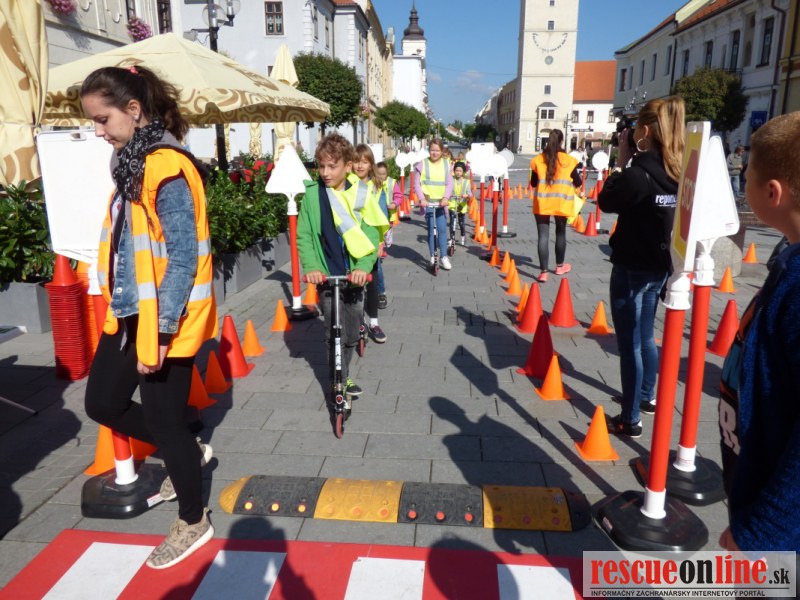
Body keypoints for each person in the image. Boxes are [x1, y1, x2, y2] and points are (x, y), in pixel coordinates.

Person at [80, 65, 217, 569]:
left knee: (163, 419)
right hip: (129, 311)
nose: (98, 131)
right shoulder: (131, 163)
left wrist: (160, 334)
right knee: (102, 403)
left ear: (133, 110)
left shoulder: (165, 166)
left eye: (103, 119)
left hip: (164, 319)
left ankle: (193, 519)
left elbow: (183, 256)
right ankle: (186, 449)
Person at [718, 112, 800, 556]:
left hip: (780, 540)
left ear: (773, 193)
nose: (742, 182)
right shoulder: (789, 261)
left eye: (746, 175)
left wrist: (762, 530)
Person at [597, 96, 685, 438]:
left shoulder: (637, 174)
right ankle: (646, 396)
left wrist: (621, 163)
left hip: (632, 266)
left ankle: (630, 418)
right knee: (646, 335)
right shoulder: (678, 171)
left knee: (630, 344)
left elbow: (606, 200)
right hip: (659, 265)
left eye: (635, 127)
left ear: (645, 131)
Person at [297, 134, 386, 402]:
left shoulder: (362, 192)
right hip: (326, 275)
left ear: (348, 166)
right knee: (332, 331)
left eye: (332, 166)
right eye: (321, 166)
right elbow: (304, 235)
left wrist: (363, 267)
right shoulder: (312, 196)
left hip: (354, 275)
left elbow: (371, 235)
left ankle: (344, 367)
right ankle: (339, 378)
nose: (325, 172)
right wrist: (312, 267)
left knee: (350, 330)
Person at [529, 129, 583, 282]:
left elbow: (533, 183)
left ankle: (543, 272)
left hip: (542, 203)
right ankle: (559, 267)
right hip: (561, 202)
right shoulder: (569, 161)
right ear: (562, 141)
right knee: (560, 233)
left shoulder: (538, 160)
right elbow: (578, 182)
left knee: (543, 236)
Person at [352, 144, 391, 343]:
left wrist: (380, 243)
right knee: (353, 283)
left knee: (372, 282)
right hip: (351, 239)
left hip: (371, 241)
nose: (360, 166)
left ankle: (374, 322)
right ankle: (357, 320)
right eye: (356, 161)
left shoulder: (376, 186)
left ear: (371, 165)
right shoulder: (345, 185)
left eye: (364, 162)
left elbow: (381, 214)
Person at [415, 138, 454, 270]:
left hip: (441, 204)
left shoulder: (447, 164)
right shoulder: (422, 164)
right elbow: (417, 184)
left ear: (442, 151)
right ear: (429, 150)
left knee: (442, 230)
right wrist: (422, 199)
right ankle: (433, 255)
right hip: (428, 203)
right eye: (432, 150)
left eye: (437, 150)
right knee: (432, 230)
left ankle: (444, 256)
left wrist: (446, 197)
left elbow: (449, 184)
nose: (435, 153)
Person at [375, 161, 400, 309]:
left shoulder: (391, 183)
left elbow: (398, 196)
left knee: (387, 239)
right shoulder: (370, 184)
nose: (381, 177)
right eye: (378, 174)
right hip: (375, 224)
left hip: (388, 218)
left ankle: (380, 292)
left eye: (383, 174)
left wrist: (395, 203)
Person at [448, 161, 472, 246]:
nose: (458, 172)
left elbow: (470, 194)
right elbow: (447, 190)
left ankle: (462, 236)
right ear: (454, 171)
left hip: (462, 204)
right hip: (452, 203)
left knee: (461, 222)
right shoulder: (451, 180)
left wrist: (466, 195)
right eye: (457, 170)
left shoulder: (466, 182)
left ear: (463, 172)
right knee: (452, 222)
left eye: (460, 171)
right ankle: (452, 238)